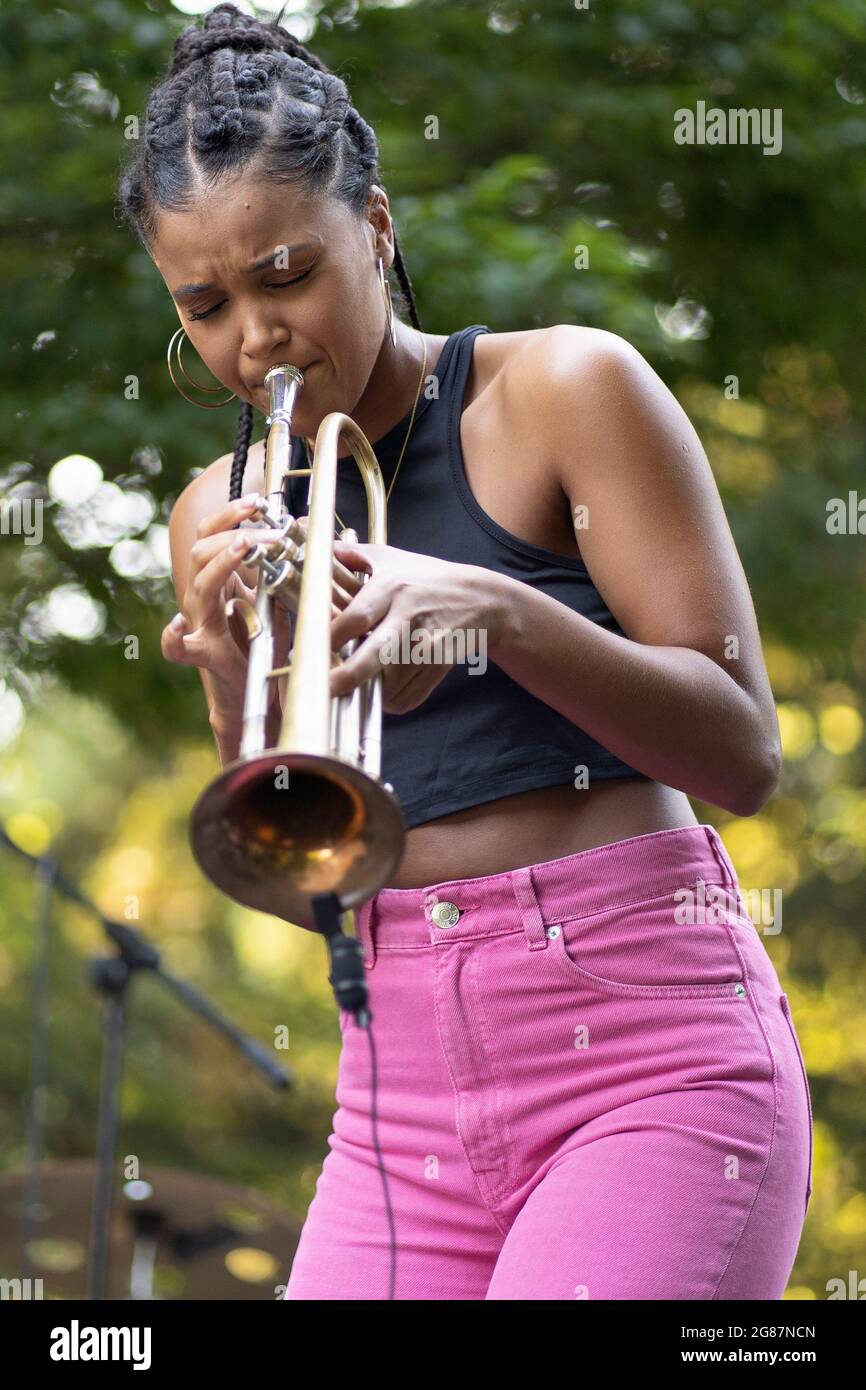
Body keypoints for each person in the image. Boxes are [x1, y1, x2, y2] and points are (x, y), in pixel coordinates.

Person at [118, 3, 813, 1300]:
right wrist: (229, 682)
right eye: (205, 305)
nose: (253, 340)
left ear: (373, 230)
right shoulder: (214, 510)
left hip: (646, 1054)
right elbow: (301, 887)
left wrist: (501, 614)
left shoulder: (560, 392)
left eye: (286, 276)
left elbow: (744, 754)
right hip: (399, 1090)